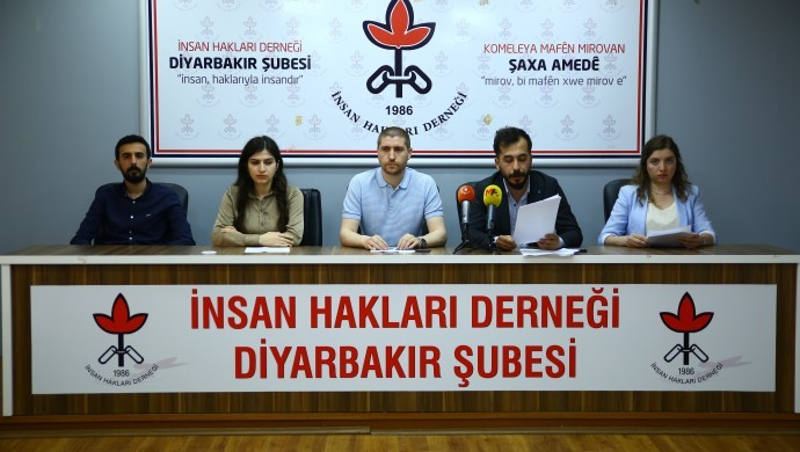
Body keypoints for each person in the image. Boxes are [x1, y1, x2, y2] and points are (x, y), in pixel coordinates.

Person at [466, 126, 582, 251]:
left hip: (537, 261)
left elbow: (574, 233)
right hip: (501, 261)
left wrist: (559, 242)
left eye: (522, 159)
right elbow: (471, 234)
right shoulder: (485, 189)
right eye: (508, 160)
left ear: (531, 159)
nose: (516, 167)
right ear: (498, 163)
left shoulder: (548, 186)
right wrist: (495, 241)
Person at [70, 134, 195, 245]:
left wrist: (160, 258)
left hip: (153, 261)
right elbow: (80, 239)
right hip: (111, 261)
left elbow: (185, 240)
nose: (133, 162)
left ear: (148, 163)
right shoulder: (105, 196)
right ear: (117, 164)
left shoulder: (167, 196)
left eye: (139, 156)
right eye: (126, 156)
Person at [598, 135, 715, 248]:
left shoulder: (690, 193)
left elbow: (710, 234)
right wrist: (626, 240)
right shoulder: (628, 194)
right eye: (655, 161)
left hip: (681, 259)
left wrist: (701, 240)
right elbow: (605, 237)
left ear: (677, 164)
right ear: (645, 165)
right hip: (639, 258)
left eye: (669, 161)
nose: (663, 168)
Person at [340, 127, 447, 250]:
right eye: (385, 149)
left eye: (398, 149)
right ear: (377, 152)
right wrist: (366, 241)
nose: (391, 156)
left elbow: (440, 233)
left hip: (411, 257)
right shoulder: (359, 182)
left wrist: (420, 241)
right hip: (372, 257)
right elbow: (345, 234)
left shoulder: (426, 183)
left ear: (409, 153)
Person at [212, 135, 304, 247]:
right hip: (243, 257)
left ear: (277, 165)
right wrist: (260, 240)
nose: (261, 169)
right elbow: (217, 236)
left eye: (268, 162)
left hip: (281, 257)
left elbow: (294, 238)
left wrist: (237, 237)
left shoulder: (292, 194)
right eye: (255, 162)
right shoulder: (233, 194)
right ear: (246, 166)